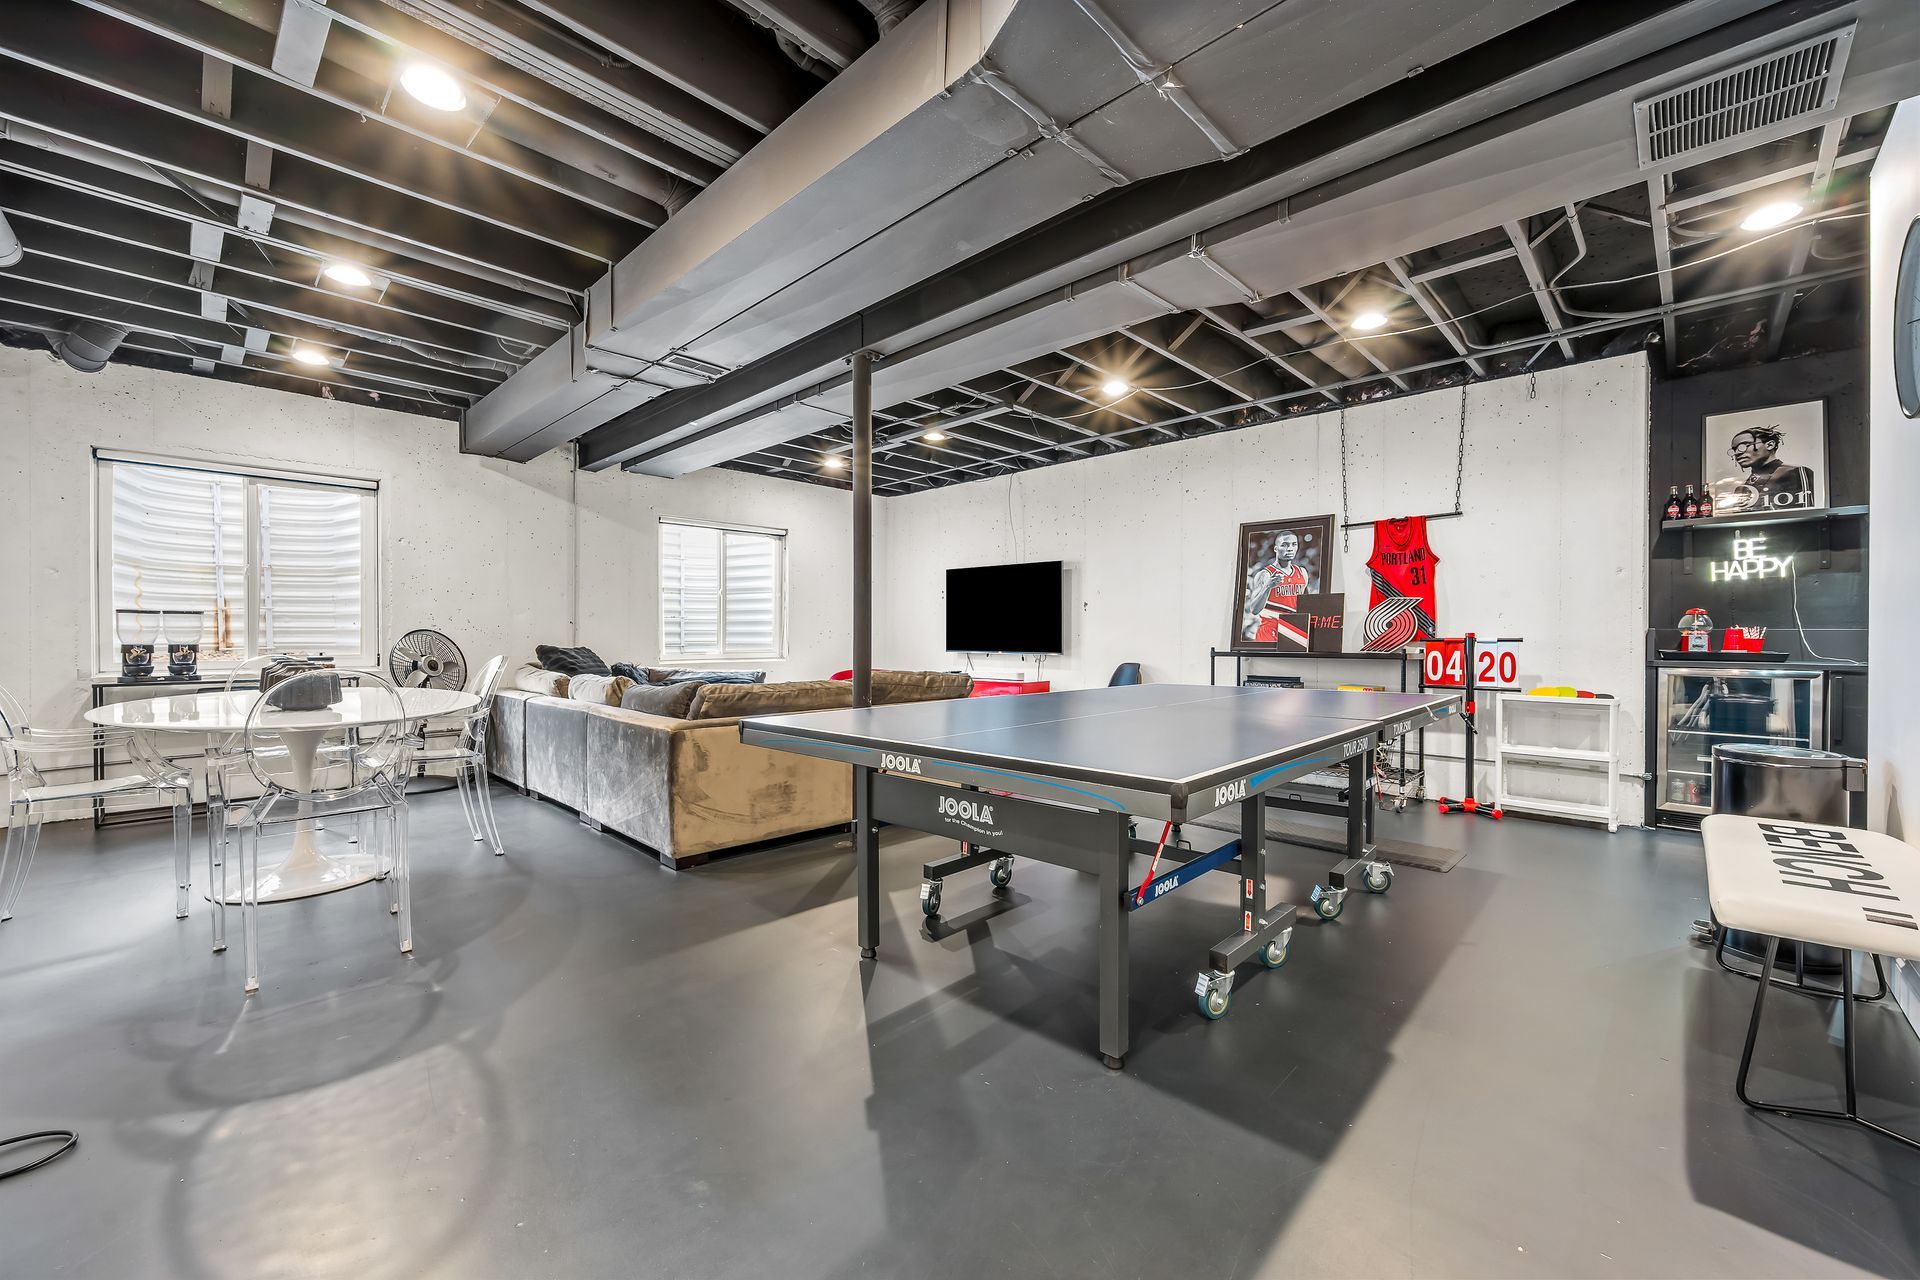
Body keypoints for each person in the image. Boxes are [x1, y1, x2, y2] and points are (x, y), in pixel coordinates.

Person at [1726, 425, 1815, 511]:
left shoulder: (1795, 471)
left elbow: (1804, 515)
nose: (1737, 453)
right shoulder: (1742, 488)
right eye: (1734, 449)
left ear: (1770, 445)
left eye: (1744, 446)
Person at [1244, 531, 1309, 643]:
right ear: (1276, 548)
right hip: (1270, 630)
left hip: (1293, 630)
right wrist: (1268, 586)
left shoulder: (1302, 573)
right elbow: (1254, 609)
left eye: (1294, 544)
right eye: (1284, 545)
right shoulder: (1265, 574)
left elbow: (1306, 606)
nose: (1290, 548)